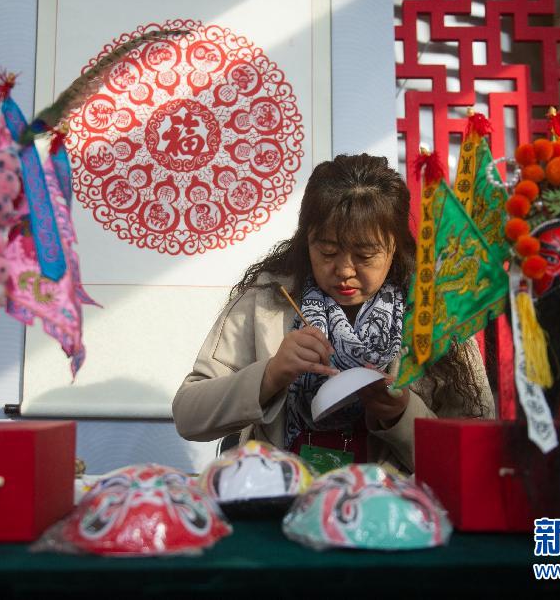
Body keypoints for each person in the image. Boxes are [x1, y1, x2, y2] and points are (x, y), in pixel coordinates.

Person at [173, 153, 494, 473]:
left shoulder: (432, 314)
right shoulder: (269, 300)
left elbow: (477, 452)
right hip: (279, 501)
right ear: (306, 241)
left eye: (365, 255)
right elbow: (189, 415)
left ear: (394, 246)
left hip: (388, 512)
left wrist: (402, 413)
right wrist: (270, 375)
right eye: (327, 251)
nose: (343, 270)